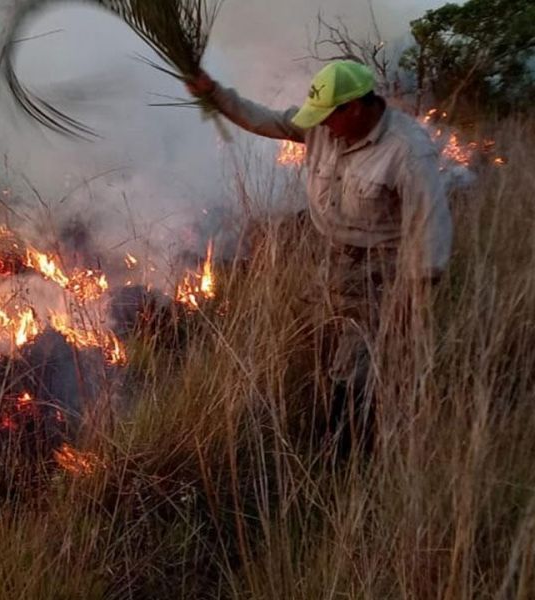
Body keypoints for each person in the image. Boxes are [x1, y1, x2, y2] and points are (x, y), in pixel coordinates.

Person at [187, 60, 453, 457]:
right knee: (318, 341)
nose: (321, 126)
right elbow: (265, 120)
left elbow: (431, 231)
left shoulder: (407, 151)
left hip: (382, 270)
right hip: (332, 259)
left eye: (329, 117)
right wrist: (214, 94)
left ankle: (344, 457)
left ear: (356, 108)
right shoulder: (322, 125)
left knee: (355, 364)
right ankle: (354, 406)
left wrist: (408, 301)